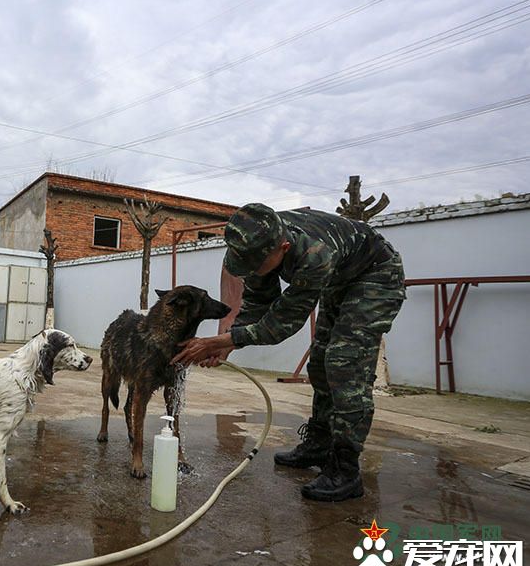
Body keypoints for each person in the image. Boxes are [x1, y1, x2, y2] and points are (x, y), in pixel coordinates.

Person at [173, 203, 405, 503]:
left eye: (255, 266)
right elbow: (257, 302)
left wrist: (219, 342)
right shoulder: (258, 240)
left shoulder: (315, 255)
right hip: (339, 281)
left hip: (376, 276)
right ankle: (319, 444)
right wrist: (227, 343)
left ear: (283, 248)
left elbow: (280, 325)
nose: (251, 271)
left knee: (344, 364)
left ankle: (345, 469)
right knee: (319, 363)